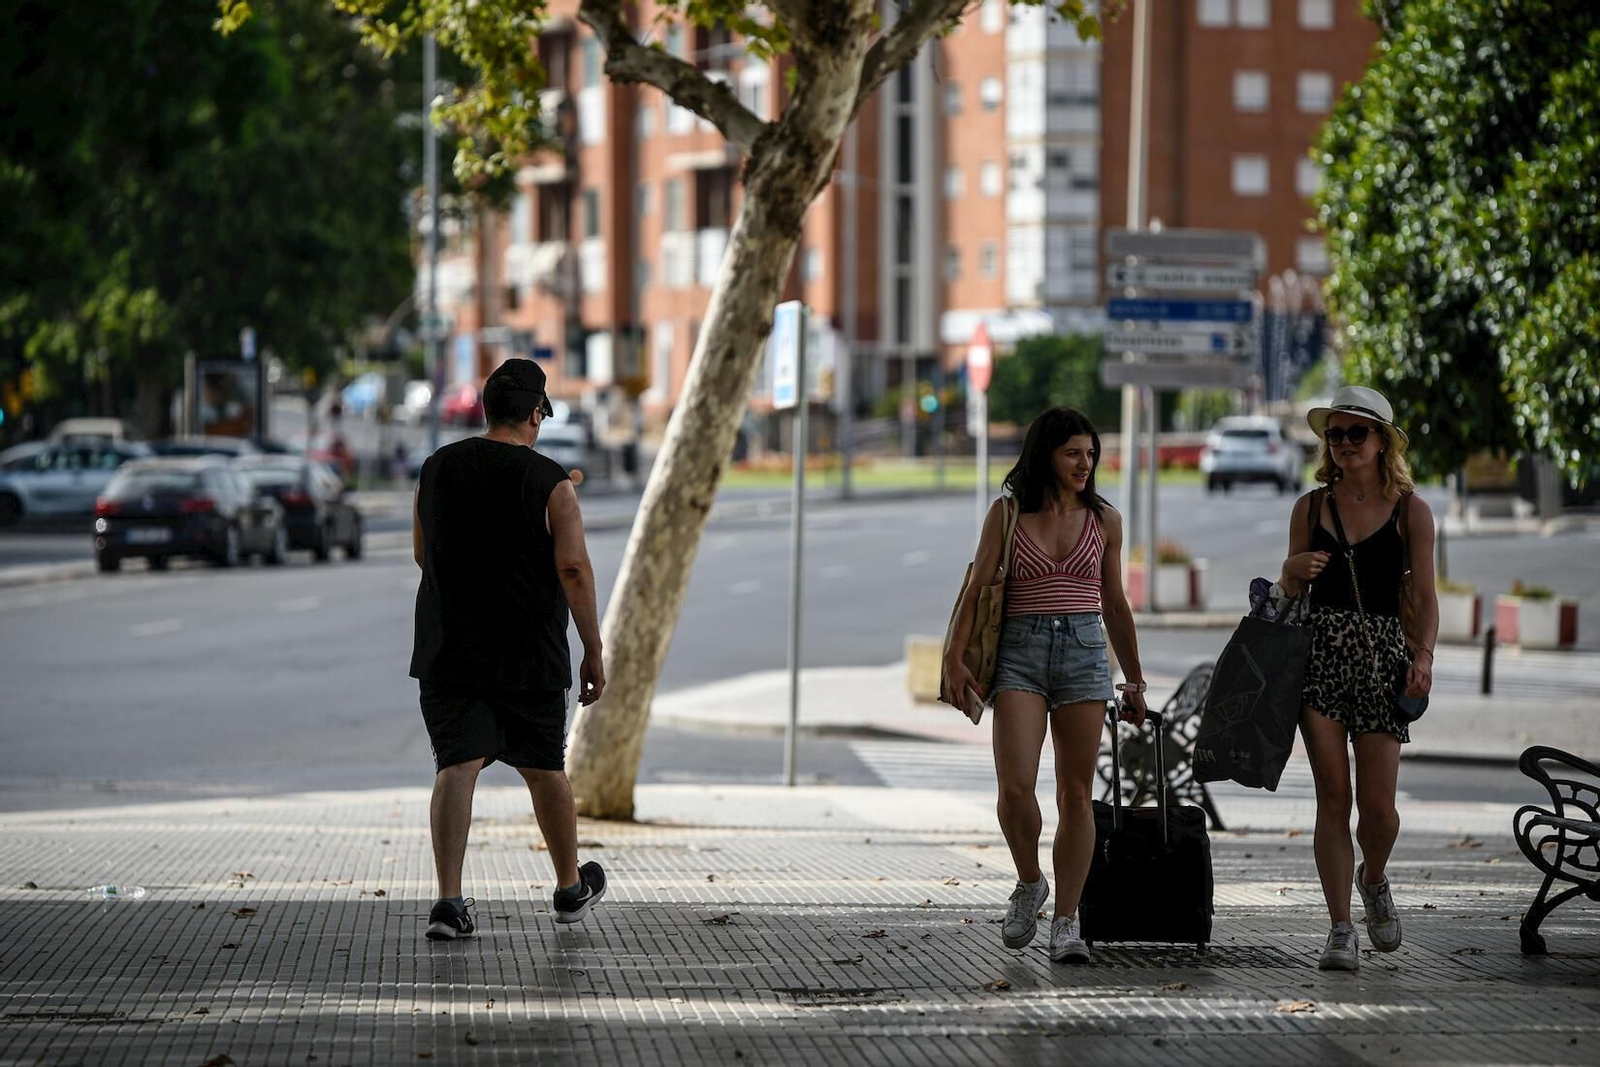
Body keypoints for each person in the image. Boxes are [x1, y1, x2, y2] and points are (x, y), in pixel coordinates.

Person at [410, 358, 608, 941]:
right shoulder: (550, 481)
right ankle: (570, 888)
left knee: (456, 767)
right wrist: (593, 650)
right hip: (529, 652)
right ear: (535, 413)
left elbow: (424, 555)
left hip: (449, 648)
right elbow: (573, 569)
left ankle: (449, 902)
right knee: (546, 770)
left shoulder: (436, 469)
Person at [943, 407, 1149, 963]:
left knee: (1076, 794)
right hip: (1020, 654)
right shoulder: (1007, 514)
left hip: (1084, 655)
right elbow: (978, 586)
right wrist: (954, 656)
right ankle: (1031, 880)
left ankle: (1066, 922)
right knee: (1014, 788)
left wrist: (1134, 680)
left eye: (1090, 454)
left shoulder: (1105, 520)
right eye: (1072, 453)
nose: (1085, 464)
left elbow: (1114, 603)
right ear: (1045, 455)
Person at [1278, 385, 1437, 971]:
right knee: (1332, 799)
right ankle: (1340, 927)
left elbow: (1425, 595)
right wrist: (1290, 569)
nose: (1343, 443)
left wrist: (1423, 656)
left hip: (1382, 659)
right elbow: (1289, 593)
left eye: (1355, 433)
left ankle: (1374, 877)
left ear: (1382, 441)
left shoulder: (1410, 512)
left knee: (1378, 810)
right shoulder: (1310, 508)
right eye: (1334, 434)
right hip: (1320, 659)